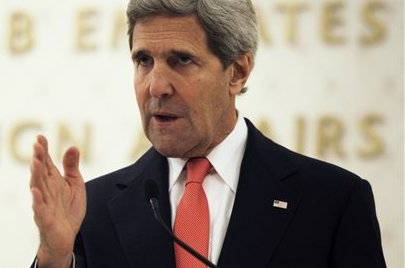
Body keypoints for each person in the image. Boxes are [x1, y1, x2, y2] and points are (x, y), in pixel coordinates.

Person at [29, 0, 387, 267]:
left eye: (181, 60)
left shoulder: (332, 202)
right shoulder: (93, 210)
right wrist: (53, 258)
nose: (156, 86)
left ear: (238, 72)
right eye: (143, 61)